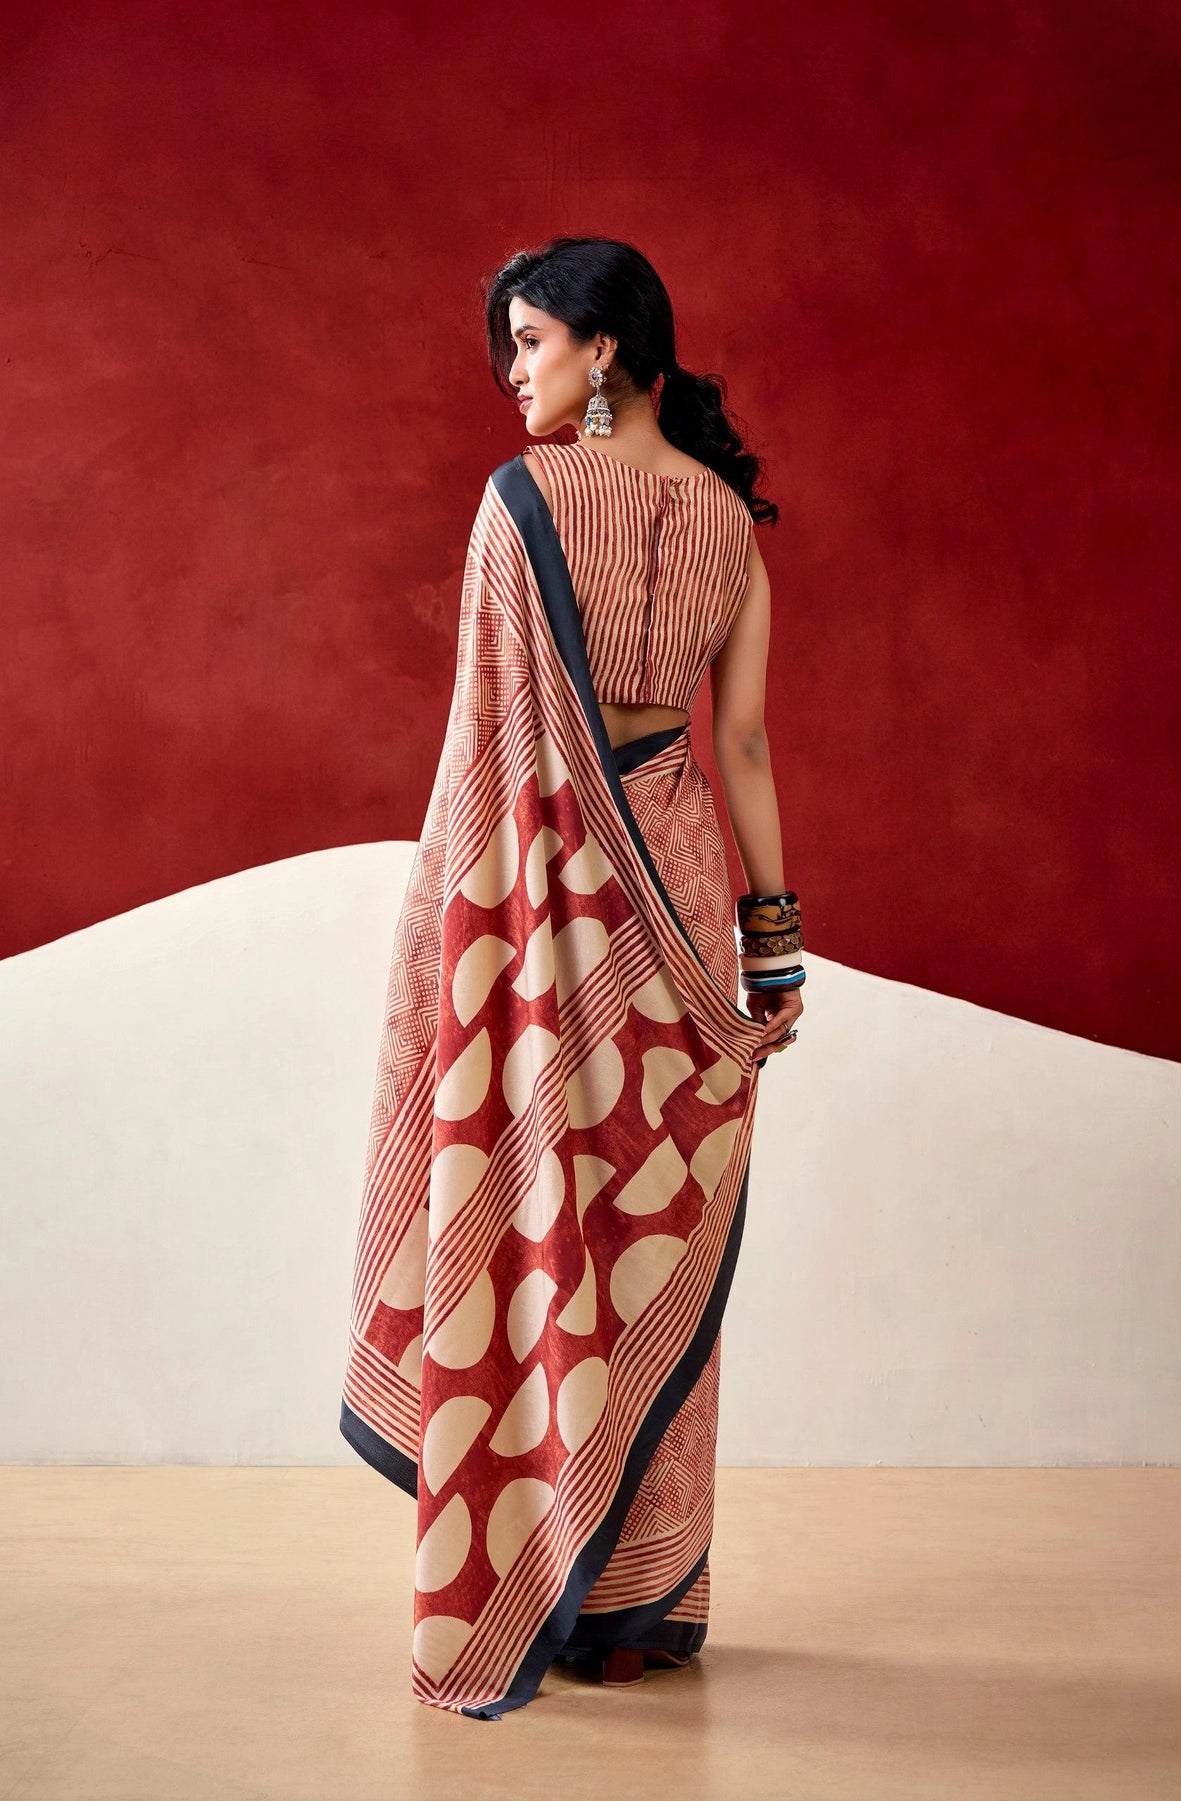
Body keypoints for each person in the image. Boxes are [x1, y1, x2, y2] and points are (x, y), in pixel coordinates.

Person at [339, 236, 805, 1721]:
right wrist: (772, 940)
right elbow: (738, 749)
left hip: (547, 904)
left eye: (531, 341)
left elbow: (487, 748)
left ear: (607, 348)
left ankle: (535, 1559)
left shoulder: (519, 505)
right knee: (643, 1220)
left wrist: (442, 929)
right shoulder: (733, 517)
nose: (515, 374)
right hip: (676, 895)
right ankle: (638, 1601)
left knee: (547, 1218)